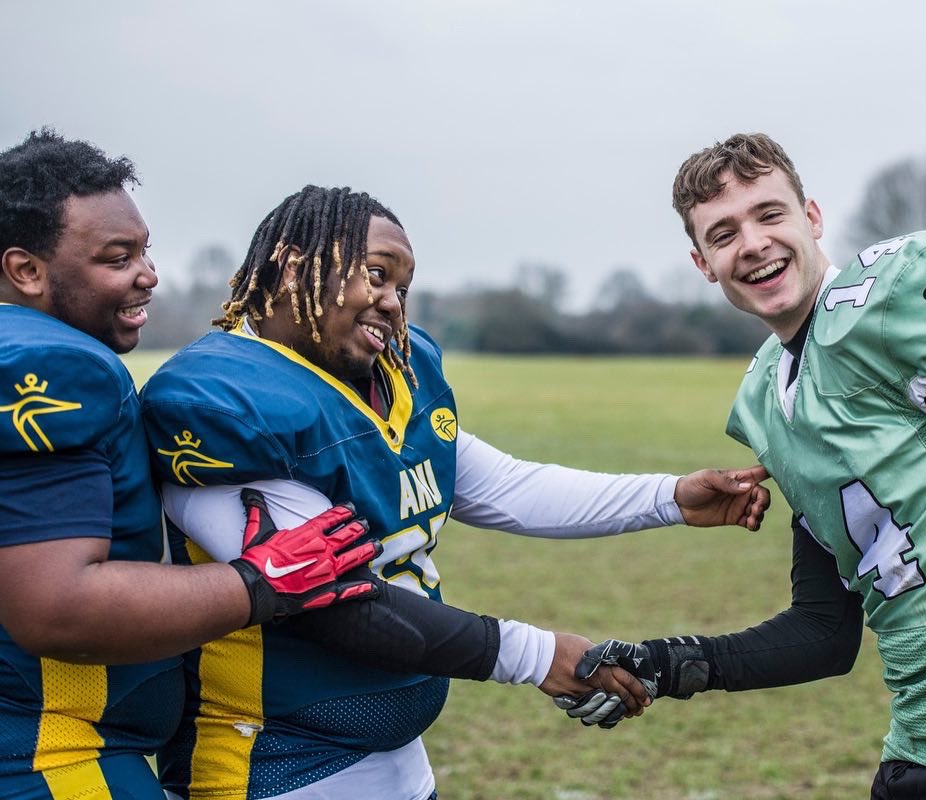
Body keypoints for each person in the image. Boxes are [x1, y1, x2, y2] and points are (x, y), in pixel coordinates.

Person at [137, 184, 771, 800]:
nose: (392, 302)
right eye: (376, 275)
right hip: (272, 758)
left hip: (395, 752)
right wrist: (537, 655)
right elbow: (328, 593)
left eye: (402, 287)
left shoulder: (391, 371)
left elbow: (498, 484)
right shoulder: (220, 400)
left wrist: (670, 497)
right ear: (292, 266)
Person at [560, 133, 926, 799]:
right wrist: (667, 664)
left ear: (812, 218)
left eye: (769, 215)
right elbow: (823, 633)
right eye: (724, 233)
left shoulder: (890, 306)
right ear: (703, 262)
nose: (751, 243)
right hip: (924, 730)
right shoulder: (768, 398)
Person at [0, 131, 383, 799]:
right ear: (26, 270)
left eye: (144, 251)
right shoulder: (55, 366)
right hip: (50, 755)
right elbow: (57, 609)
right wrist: (262, 583)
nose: (148, 274)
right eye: (117, 258)